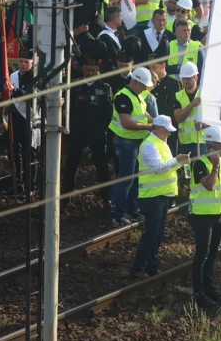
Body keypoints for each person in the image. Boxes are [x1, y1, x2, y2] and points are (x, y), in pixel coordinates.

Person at [129, 114, 190, 279]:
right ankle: (138, 267)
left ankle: (151, 266)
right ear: (157, 128)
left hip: (162, 195)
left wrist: (179, 162)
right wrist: (176, 160)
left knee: (158, 232)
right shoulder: (149, 145)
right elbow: (158, 168)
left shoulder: (161, 143)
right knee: (151, 233)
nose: (169, 133)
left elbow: (166, 167)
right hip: (152, 196)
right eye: (167, 130)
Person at [189, 125, 221, 308]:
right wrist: (214, 167)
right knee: (202, 254)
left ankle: (209, 287)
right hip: (202, 216)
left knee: (212, 253)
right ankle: (199, 292)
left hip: (219, 215)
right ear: (212, 144)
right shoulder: (200, 163)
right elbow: (210, 186)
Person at [110, 66, 155, 225]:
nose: (145, 88)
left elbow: (144, 114)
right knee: (126, 179)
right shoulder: (123, 97)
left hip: (136, 141)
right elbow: (127, 123)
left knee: (134, 177)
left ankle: (132, 209)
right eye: (144, 85)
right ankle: (118, 214)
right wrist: (150, 127)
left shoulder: (137, 96)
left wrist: (156, 121)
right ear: (136, 82)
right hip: (126, 142)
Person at [65, 56, 113, 197]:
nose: (90, 73)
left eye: (93, 70)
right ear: (83, 69)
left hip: (96, 133)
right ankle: (66, 193)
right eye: (87, 70)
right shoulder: (74, 86)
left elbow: (108, 113)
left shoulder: (104, 88)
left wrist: (104, 131)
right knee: (71, 164)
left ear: (98, 70)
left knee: (101, 165)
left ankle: (106, 196)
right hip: (77, 132)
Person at [9, 51, 41, 194]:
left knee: (30, 154)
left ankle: (31, 186)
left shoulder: (36, 78)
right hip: (16, 118)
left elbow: (32, 96)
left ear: (32, 63)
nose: (22, 64)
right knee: (15, 152)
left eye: (26, 62)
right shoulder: (13, 76)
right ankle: (18, 183)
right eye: (20, 61)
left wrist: (15, 91)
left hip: (30, 119)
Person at [175, 61, 204, 158]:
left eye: (188, 78)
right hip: (185, 143)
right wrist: (192, 104)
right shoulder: (178, 96)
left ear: (196, 77)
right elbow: (178, 118)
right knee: (187, 172)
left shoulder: (204, 94)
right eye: (184, 78)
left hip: (202, 142)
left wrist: (203, 125)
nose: (185, 81)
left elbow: (214, 119)